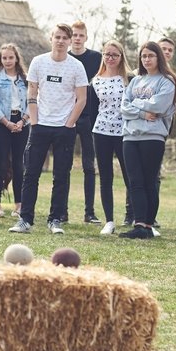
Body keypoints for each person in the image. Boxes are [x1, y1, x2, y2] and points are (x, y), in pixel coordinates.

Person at [9, 24, 88, 235]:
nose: (61, 41)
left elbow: (82, 99)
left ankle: (55, 220)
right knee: (31, 173)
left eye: (65, 38)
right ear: (51, 38)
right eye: (57, 37)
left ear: (70, 41)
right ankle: (25, 219)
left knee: (61, 175)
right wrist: (34, 122)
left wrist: (69, 123)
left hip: (64, 127)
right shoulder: (39, 61)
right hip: (40, 125)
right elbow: (32, 92)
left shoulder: (76, 66)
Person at [119, 42, 176, 239]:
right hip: (130, 137)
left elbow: (159, 106)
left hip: (152, 137)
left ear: (158, 57)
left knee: (149, 181)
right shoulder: (136, 81)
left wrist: (136, 107)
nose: (146, 60)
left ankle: (147, 224)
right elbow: (123, 107)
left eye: (150, 56)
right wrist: (143, 113)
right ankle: (138, 224)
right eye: (143, 56)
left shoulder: (167, 81)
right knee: (134, 181)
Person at [91, 40, 132, 235]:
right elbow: (92, 109)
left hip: (125, 132)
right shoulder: (96, 80)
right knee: (105, 177)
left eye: (114, 55)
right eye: (107, 54)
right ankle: (109, 220)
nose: (110, 58)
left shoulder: (129, 79)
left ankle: (133, 215)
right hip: (102, 131)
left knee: (130, 175)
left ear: (121, 57)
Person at [0, 43, 29, 218]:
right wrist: (6, 122)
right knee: (1, 164)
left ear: (16, 58)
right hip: (2, 123)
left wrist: (23, 120)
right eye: (4, 58)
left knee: (19, 165)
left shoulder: (25, 79)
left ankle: (19, 204)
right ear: (0, 59)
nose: (8, 61)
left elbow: (34, 100)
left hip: (22, 122)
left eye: (11, 57)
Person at [68, 20, 102, 224]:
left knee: (89, 166)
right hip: (68, 116)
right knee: (64, 165)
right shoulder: (65, 58)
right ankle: (61, 211)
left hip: (91, 118)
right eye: (74, 35)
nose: (77, 39)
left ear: (86, 37)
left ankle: (89, 212)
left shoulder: (96, 58)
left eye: (81, 35)